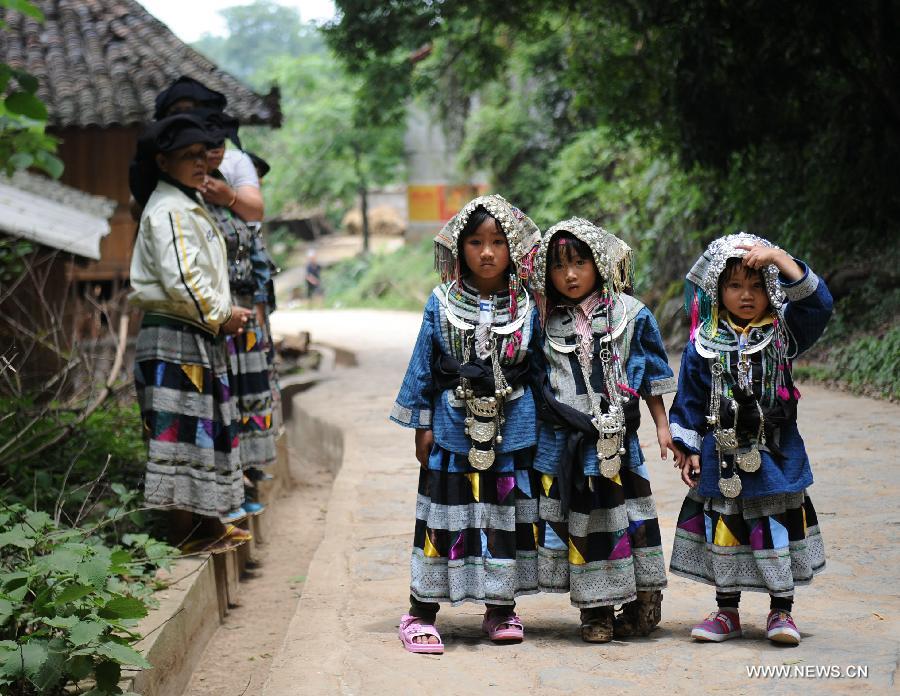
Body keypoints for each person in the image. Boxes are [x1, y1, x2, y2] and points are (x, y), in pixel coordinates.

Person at [391, 195, 541, 654]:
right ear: (460, 248)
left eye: (498, 241)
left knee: (503, 517)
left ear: (514, 247)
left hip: (512, 427)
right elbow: (423, 364)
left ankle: (500, 609)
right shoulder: (440, 302)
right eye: (476, 241)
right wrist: (422, 423)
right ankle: (421, 612)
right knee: (445, 516)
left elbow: (543, 366)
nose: (488, 252)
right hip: (453, 425)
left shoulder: (531, 304)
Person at [668, 233, 833, 646]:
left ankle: (782, 611)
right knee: (726, 527)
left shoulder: (782, 335)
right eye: (736, 286)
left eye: (758, 286)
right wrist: (687, 449)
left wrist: (778, 256)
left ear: (771, 289)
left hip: (773, 453)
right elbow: (688, 400)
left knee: (774, 527)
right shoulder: (702, 344)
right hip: (721, 455)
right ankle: (727, 612)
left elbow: (819, 304)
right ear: (718, 291)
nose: (747, 295)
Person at [529, 219, 676, 642]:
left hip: (619, 443)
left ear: (598, 262)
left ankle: (641, 601)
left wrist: (662, 425)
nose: (570, 275)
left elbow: (651, 372)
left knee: (630, 520)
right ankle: (595, 612)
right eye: (559, 267)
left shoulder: (631, 314)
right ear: (547, 274)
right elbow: (539, 382)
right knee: (585, 524)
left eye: (579, 263)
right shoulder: (543, 321)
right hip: (569, 444)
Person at [128, 114, 252, 545]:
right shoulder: (171, 210)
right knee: (178, 437)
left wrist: (220, 314)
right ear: (164, 162)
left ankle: (205, 523)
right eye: (189, 157)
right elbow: (184, 279)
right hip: (175, 335)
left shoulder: (184, 204)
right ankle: (183, 534)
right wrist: (223, 314)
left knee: (198, 432)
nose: (201, 164)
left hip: (190, 332)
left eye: (204, 155)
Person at [203, 115, 278, 507]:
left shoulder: (245, 226)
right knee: (227, 397)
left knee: (250, 391)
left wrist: (262, 322)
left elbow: (259, 278)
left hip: (246, 313)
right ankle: (234, 485)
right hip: (217, 312)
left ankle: (249, 475)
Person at [154, 75, 264, 223]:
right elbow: (137, 208)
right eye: (189, 154)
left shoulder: (236, 161)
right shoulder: (163, 164)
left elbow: (256, 212)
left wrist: (230, 198)